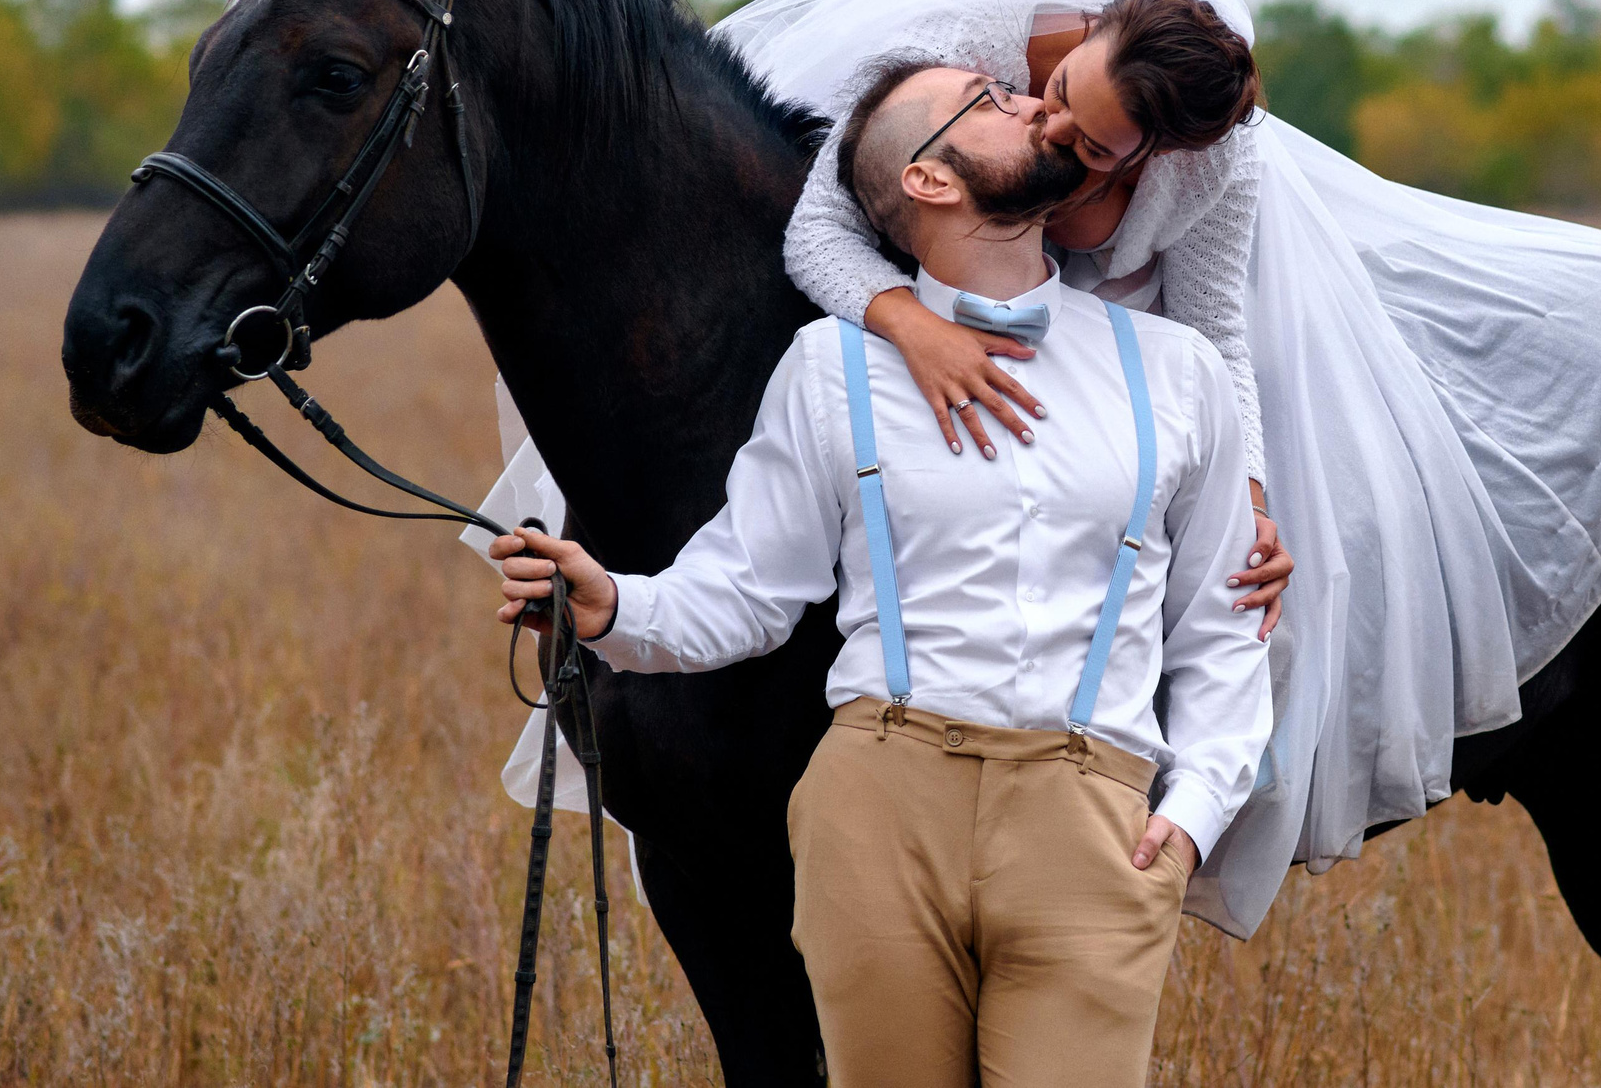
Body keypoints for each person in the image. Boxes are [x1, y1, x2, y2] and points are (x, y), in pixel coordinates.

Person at [711, 0, 1601, 938]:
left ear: (1158, 152)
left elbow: (1216, 333)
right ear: (1084, 32)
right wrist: (910, 327)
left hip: (1132, 347)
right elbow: (821, 225)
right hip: (944, 306)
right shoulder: (970, 52)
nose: (1055, 133)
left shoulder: (1212, 165)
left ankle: (1146, 807)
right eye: (1062, 94)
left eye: (1099, 148)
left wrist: (1248, 499)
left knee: (1242, 576)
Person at [490, 58, 1273, 1088]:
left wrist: (1198, 805)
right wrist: (614, 604)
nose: (1033, 102)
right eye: (989, 103)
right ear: (929, 180)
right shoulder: (831, 368)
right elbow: (746, 585)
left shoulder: (1175, 371)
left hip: (1091, 817)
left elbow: (1224, 618)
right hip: (877, 807)